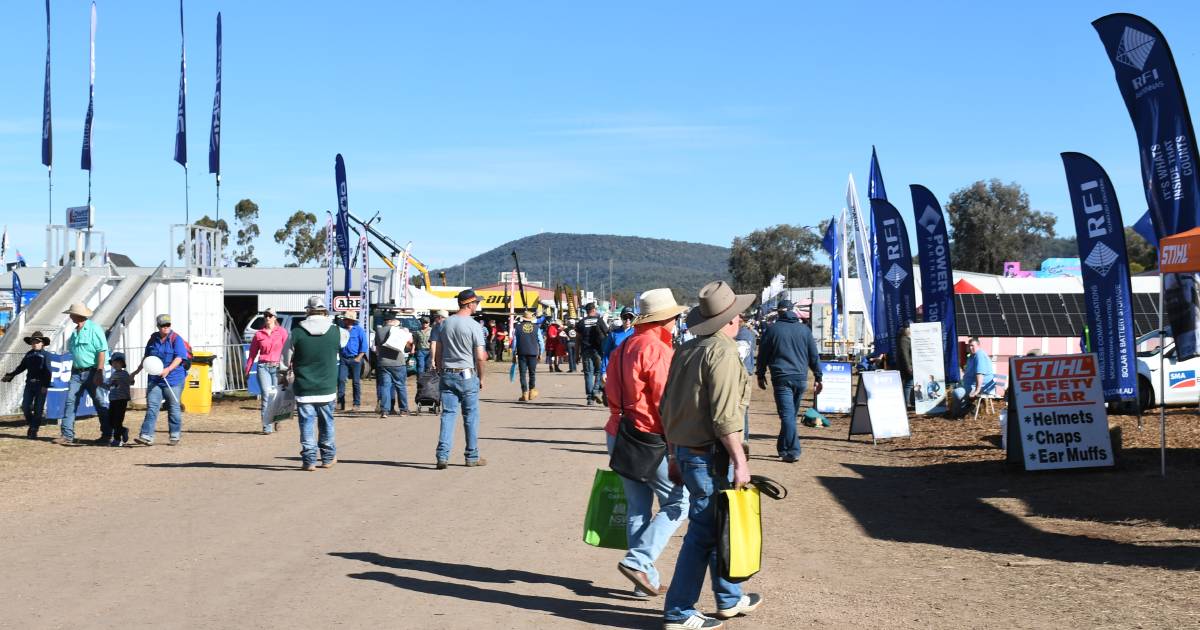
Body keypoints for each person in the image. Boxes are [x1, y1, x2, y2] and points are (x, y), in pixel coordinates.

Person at [660, 281, 762, 629]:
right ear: (731, 319)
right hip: (708, 456)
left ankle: (729, 598)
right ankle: (678, 611)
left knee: (721, 525)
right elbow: (725, 418)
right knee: (705, 533)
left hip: (689, 453)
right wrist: (740, 461)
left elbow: (668, 407)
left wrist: (674, 454)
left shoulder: (687, 350)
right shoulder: (723, 353)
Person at [604, 289, 689, 598]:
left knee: (638, 509)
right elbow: (667, 403)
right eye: (676, 317)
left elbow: (609, 390)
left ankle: (644, 580)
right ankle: (639, 561)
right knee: (680, 502)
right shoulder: (656, 350)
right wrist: (675, 447)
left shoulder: (624, 345)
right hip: (649, 436)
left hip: (619, 431)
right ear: (667, 318)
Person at [754, 300, 822, 463]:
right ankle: (783, 448)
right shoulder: (804, 330)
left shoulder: (772, 330)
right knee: (789, 416)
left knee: (787, 416)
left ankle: (793, 451)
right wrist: (818, 377)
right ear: (793, 312)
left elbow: (762, 355)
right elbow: (814, 355)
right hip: (800, 379)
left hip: (781, 378)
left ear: (779, 312)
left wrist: (760, 374)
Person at [283, 296, 340, 471]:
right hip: (327, 387)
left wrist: (283, 375)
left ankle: (309, 460)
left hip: (304, 387)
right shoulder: (336, 331)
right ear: (324, 311)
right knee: (327, 422)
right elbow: (342, 347)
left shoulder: (296, 332)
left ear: (308, 310)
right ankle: (328, 458)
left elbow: (285, 361)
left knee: (306, 423)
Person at [433, 289, 489, 469]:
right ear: (470, 304)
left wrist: (441, 369)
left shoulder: (444, 324)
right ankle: (472, 456)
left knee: (448, 414)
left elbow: (437, 352)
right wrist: (481, 377)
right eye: (476, 303)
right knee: (470, 415)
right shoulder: (474, 326)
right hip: (467, 374)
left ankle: (442, 455)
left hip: (448, 373)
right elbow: (480, 356)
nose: (477, 306)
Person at [57, 303, 112, 445]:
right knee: (70, 401)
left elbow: (102, 351)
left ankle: (107, 434)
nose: (69, 316)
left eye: (71, 314)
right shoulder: (75, 332)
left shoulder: (94, 329)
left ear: (78, 315)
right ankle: (67, 435)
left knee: (99, 402)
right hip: (76, 373)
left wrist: (99, 371)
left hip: (93, 371)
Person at [132, 314, 189, 446]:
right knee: (152, 406)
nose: (166, 327)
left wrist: (168, 369)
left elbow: (179, 357)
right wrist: (135, 372)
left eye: (168, 325)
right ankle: (146, 436)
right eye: (163, 325)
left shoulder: (176, 339)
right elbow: (147, 358)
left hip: (174, 379)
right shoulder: (153, 339)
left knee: (173, 407)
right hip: (155, 379)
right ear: (158, 326)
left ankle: (175, 434)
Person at [245, 308, 289, 434]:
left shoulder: (282, 332)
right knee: (266, 395)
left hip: (277, 367)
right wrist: (247, 370)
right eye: (266, 315)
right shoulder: (259, 334)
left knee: (276, 396)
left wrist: (290, 365)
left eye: (270, 315)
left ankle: (277, 419)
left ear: (275, 318)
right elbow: (252, 354)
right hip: (263, 367)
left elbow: (287, 351)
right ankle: (266, 426)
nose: (267, 318)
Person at [2, 330, 52, 439]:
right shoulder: (28, 354)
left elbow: (48, 371)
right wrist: (11, 375)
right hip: (29, 384)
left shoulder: (46, 355)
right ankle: (33, 424)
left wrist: (45, 386)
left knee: (38, 409)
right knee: (25, 406)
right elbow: (21, 367)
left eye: (37, 342)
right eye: (33, 341)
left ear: (42, 343)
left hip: (41, 385)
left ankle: (34, 430)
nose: (35, 343)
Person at [375, 311, 413, 418]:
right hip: (398, 362)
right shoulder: (400, 331)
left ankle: (384, 411)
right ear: (392, 321)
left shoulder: (379, 331)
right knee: (400, 386)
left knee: (385, 386)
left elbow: (377, 348)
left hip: (383, 362)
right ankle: (403, 410)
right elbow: (408, 346)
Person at [576, 303, 610, 406]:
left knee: (588, 373)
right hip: (598, 350)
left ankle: (590, 399)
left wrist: (576, 354)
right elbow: (607, 333)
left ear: (586, 311)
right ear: (594, 309)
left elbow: (578, 339)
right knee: (600, 371)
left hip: (585, 350)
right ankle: (595, 391)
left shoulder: (581, 322)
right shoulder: (599, 320)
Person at [952, 337, 995, 417]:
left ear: (978, 346)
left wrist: (977, 390)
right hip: (970, 383)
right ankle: (959, 413)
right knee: (955, 388)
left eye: (972, 346)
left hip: (981, 386)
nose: (970, 348)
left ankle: (968, 410)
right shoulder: (972, 356)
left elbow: (980, 374)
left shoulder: (979, 356)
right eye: (969, 346)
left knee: (957, 392)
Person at [734, 318, 759, 449]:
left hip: (737, 372)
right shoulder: (750, 333)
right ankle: (744, 439)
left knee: (737, 406)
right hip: (747, 371)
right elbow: (753, 350)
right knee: (744, 407)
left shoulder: (735, 334)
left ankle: (741, 439)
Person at [337, 310, 368, 413]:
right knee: (341, 379)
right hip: (344, 359)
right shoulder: (341, 330)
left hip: (355, 358)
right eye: (344, 319)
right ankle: (341, 402)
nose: (344, 320)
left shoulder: (359, 330)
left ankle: (356, 404)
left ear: (351, 320)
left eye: (346, 319)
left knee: (356, 382)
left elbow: (364, 345)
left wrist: (359, 357)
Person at [513, 310, 543, 402]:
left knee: (522, 374)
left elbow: (514, 342)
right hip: (533, 352)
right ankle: (531, 392)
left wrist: (514, 353)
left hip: (521, 352)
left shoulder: (517, 327)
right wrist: (541, 353)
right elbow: (541, 342)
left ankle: (524, 394)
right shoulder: (536, 327)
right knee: (532, 373)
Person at [600, 307, 637, 376]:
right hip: (616, 370)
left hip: (632, 371)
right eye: (625, 317)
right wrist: (604, 371)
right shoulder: (613, 334)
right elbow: (607, 354)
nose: (628, 320)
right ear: (621, 317)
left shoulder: (637, 333)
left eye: (630, 317)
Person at [105, 352, 131, 447]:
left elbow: (130, 381)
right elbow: (108, 385)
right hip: (113, 400)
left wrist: (130, 379)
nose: (115, 364)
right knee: (111, 420)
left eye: (117, 362)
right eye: (113, 362)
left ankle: (117, 439)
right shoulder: (113, 374)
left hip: (122, 400)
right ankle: (123, 430)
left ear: (122, 363)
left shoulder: (125, 373)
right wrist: (101, 384)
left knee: (118, 420)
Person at [895, 323, 914, 407]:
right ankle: (907, 403)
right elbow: (905, 354)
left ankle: (908, 402)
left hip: (907, 366)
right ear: (906, 330)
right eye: (910, 328)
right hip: (906, 366)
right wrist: (909, 367)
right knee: (908, 384)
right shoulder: (904, 340)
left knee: (909, 384)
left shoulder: (905, 339)